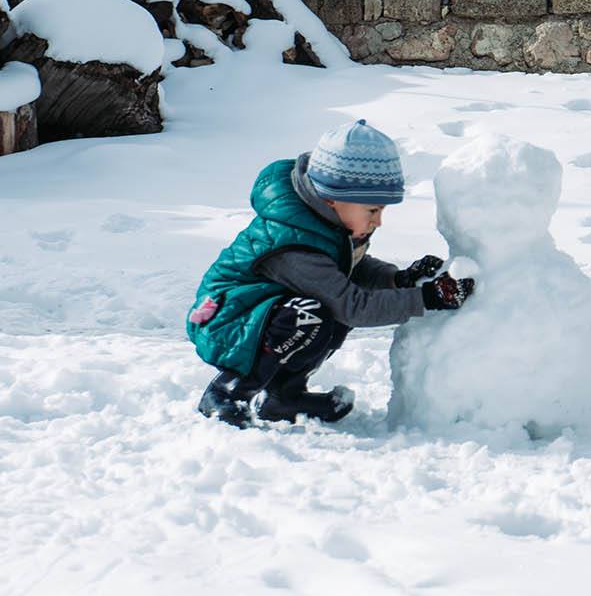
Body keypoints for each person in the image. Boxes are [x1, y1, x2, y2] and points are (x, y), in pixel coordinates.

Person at [185, 119, 474, 428]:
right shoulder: (294, 244)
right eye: (372, 211)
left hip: (263, 314)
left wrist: (397, 279)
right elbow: (354, 307)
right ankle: (227, 392)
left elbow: (351, 270)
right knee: (314, 313)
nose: (378, 222)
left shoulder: (322, 224)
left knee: (325, 310)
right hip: (229, 321)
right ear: (332, 198)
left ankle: (284, 396)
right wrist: (426, 298)